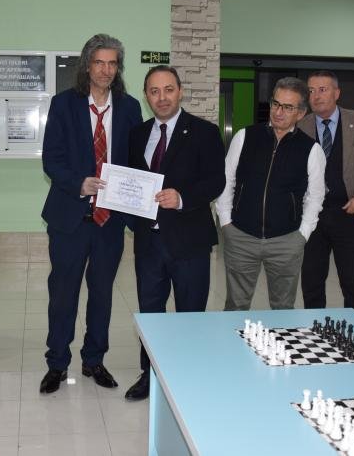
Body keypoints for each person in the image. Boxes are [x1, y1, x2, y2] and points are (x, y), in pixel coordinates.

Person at [39, 34, 143, 394]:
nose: (106, 70)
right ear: (87, 65)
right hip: (70, 218)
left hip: (109, 221)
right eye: (99, 62)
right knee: (63, 295)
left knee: (102, 294)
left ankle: (94, 360)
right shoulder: (63, 104)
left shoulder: (129, 108)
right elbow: (51, 159)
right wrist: (78, 184)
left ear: (118, 68)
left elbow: (135, 162)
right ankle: (57, 363)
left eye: (112, 63)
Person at [124, 65, 225, 401]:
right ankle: (150, 374)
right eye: (154, 91)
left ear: (180, 91)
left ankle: (187, 376)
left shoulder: (205, 132)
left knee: (190, 316)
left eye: (168, 89)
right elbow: (130, 179)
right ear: (146, 96)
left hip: (189, 242)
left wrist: (182, 198)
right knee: (151, 315)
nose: (162, 97)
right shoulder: (137, 134)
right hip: (148, 243)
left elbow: (216, 181)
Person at [216, 77, 325, 312]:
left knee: (283, 308)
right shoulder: (245, 137)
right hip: (241, 236)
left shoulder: (311, 149)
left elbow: (315, 197)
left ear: (301, 113)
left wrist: (302, 235)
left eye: (288, 107)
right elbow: (226, 181)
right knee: (235, 306)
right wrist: (226, 223)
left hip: (286, 241)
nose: (278, 112)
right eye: (275, 103)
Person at [298, 71, 354, 309]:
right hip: (313, 216)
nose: (316, 96)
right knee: (311, 281)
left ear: (337, 93)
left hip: (349, 213)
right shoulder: (301, 125)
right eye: (311, 91)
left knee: (353, 282)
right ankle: (314, 326)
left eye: (323, 89)